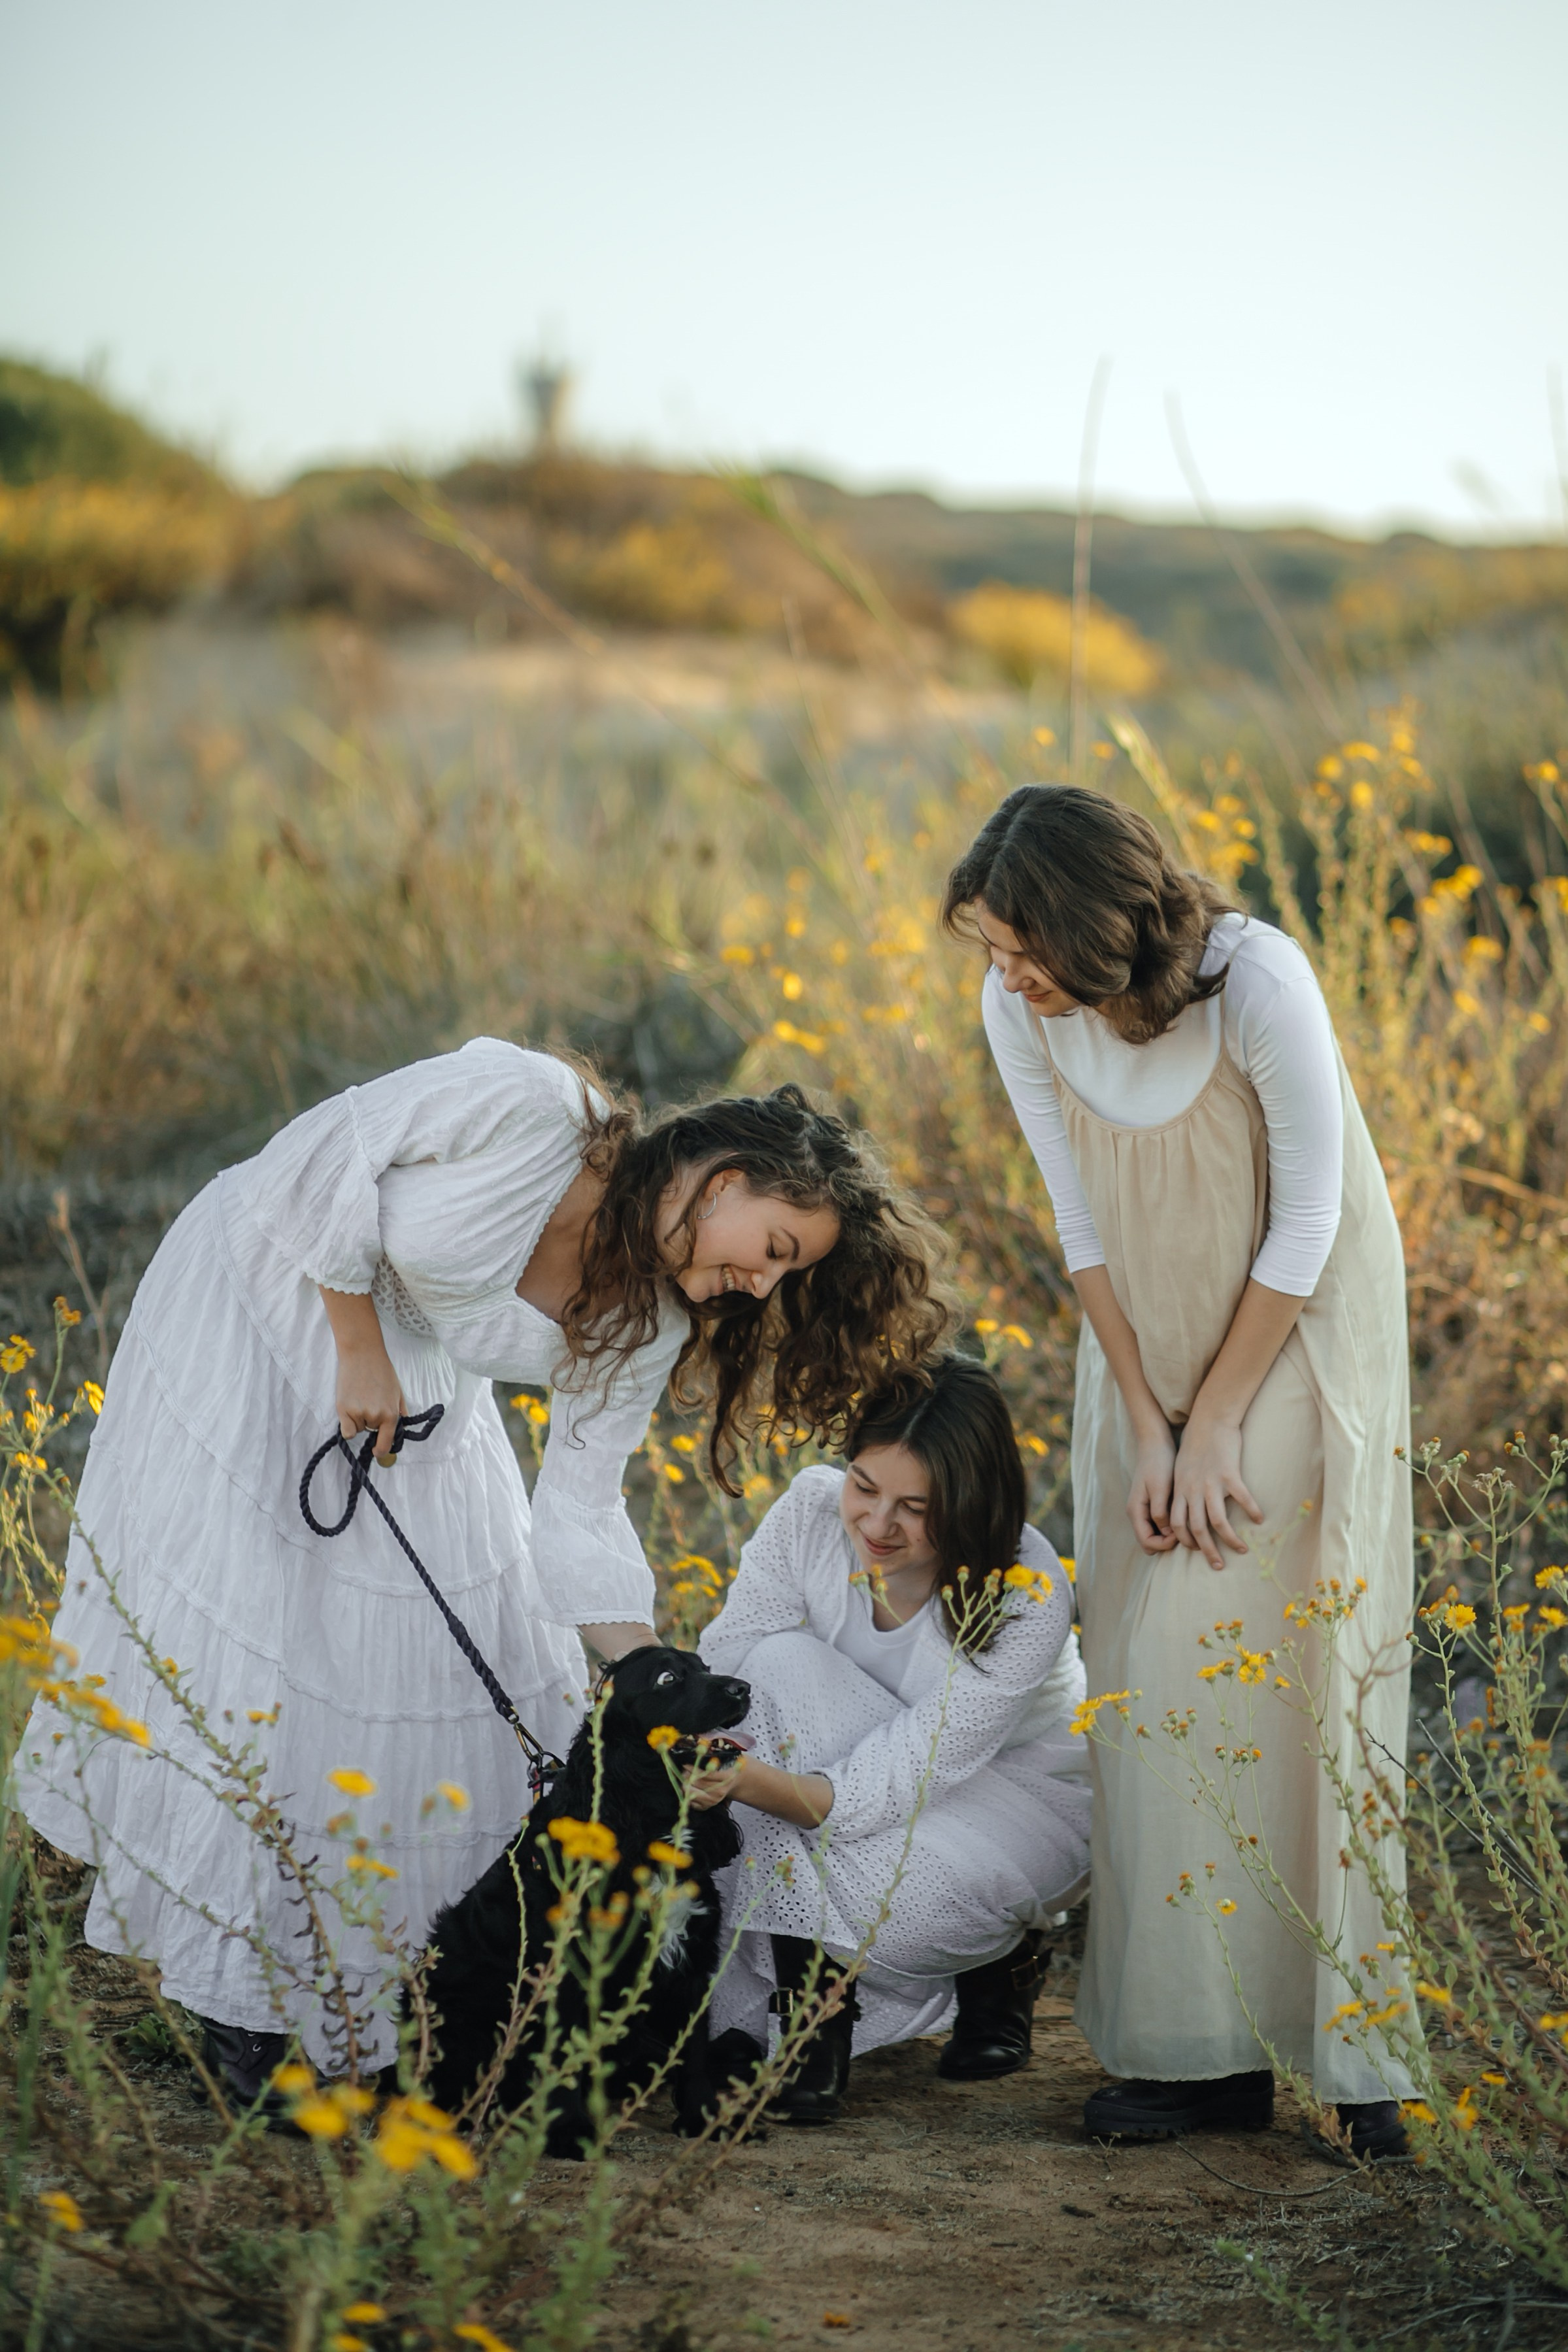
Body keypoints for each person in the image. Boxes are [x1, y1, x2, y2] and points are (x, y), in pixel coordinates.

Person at [16, 1040, 947, 2101]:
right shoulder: (537, 1111)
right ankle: (243, 2009)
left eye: (790, 1273)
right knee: (268, 1650)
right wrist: (355, 1346)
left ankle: (373, 2007)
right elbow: (322, 1160)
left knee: (445, 1661)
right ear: (722, 1177)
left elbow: (581, 1511)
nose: (765, 1279)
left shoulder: (646, 1323)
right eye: (774, 1245)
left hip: (409, 1370)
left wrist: (644, 1673)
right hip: (267, 1296)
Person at [944, 784, 1413, 2162]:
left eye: (1022, 943)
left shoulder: (1254, 976)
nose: (1006, 973)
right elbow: (1073, 1208)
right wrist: (1146, 1422)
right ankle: (1195, 2050)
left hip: (1291, 1330)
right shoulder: (1014, 1010)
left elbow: (1313, 1210)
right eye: (987, 946)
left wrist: (1214, 1420)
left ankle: (1345, 2042)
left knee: (1290, 1657)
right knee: (1151, 1670)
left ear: (1100, 919)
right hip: (1140, 1352)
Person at [693, 1354, 1089, 2125]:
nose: (878, 1526)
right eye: (864, 1487)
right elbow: (728, 1662)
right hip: (841, 1774)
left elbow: (905, 1769)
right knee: (767, 1669)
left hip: (1009, 1812)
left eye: (917, 1507)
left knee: (847, 1869)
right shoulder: (809, 1514)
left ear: (971, 1501)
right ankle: (813, 2005)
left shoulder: (1023, 1586)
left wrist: (747, 1783)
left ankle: (1001, 1954)